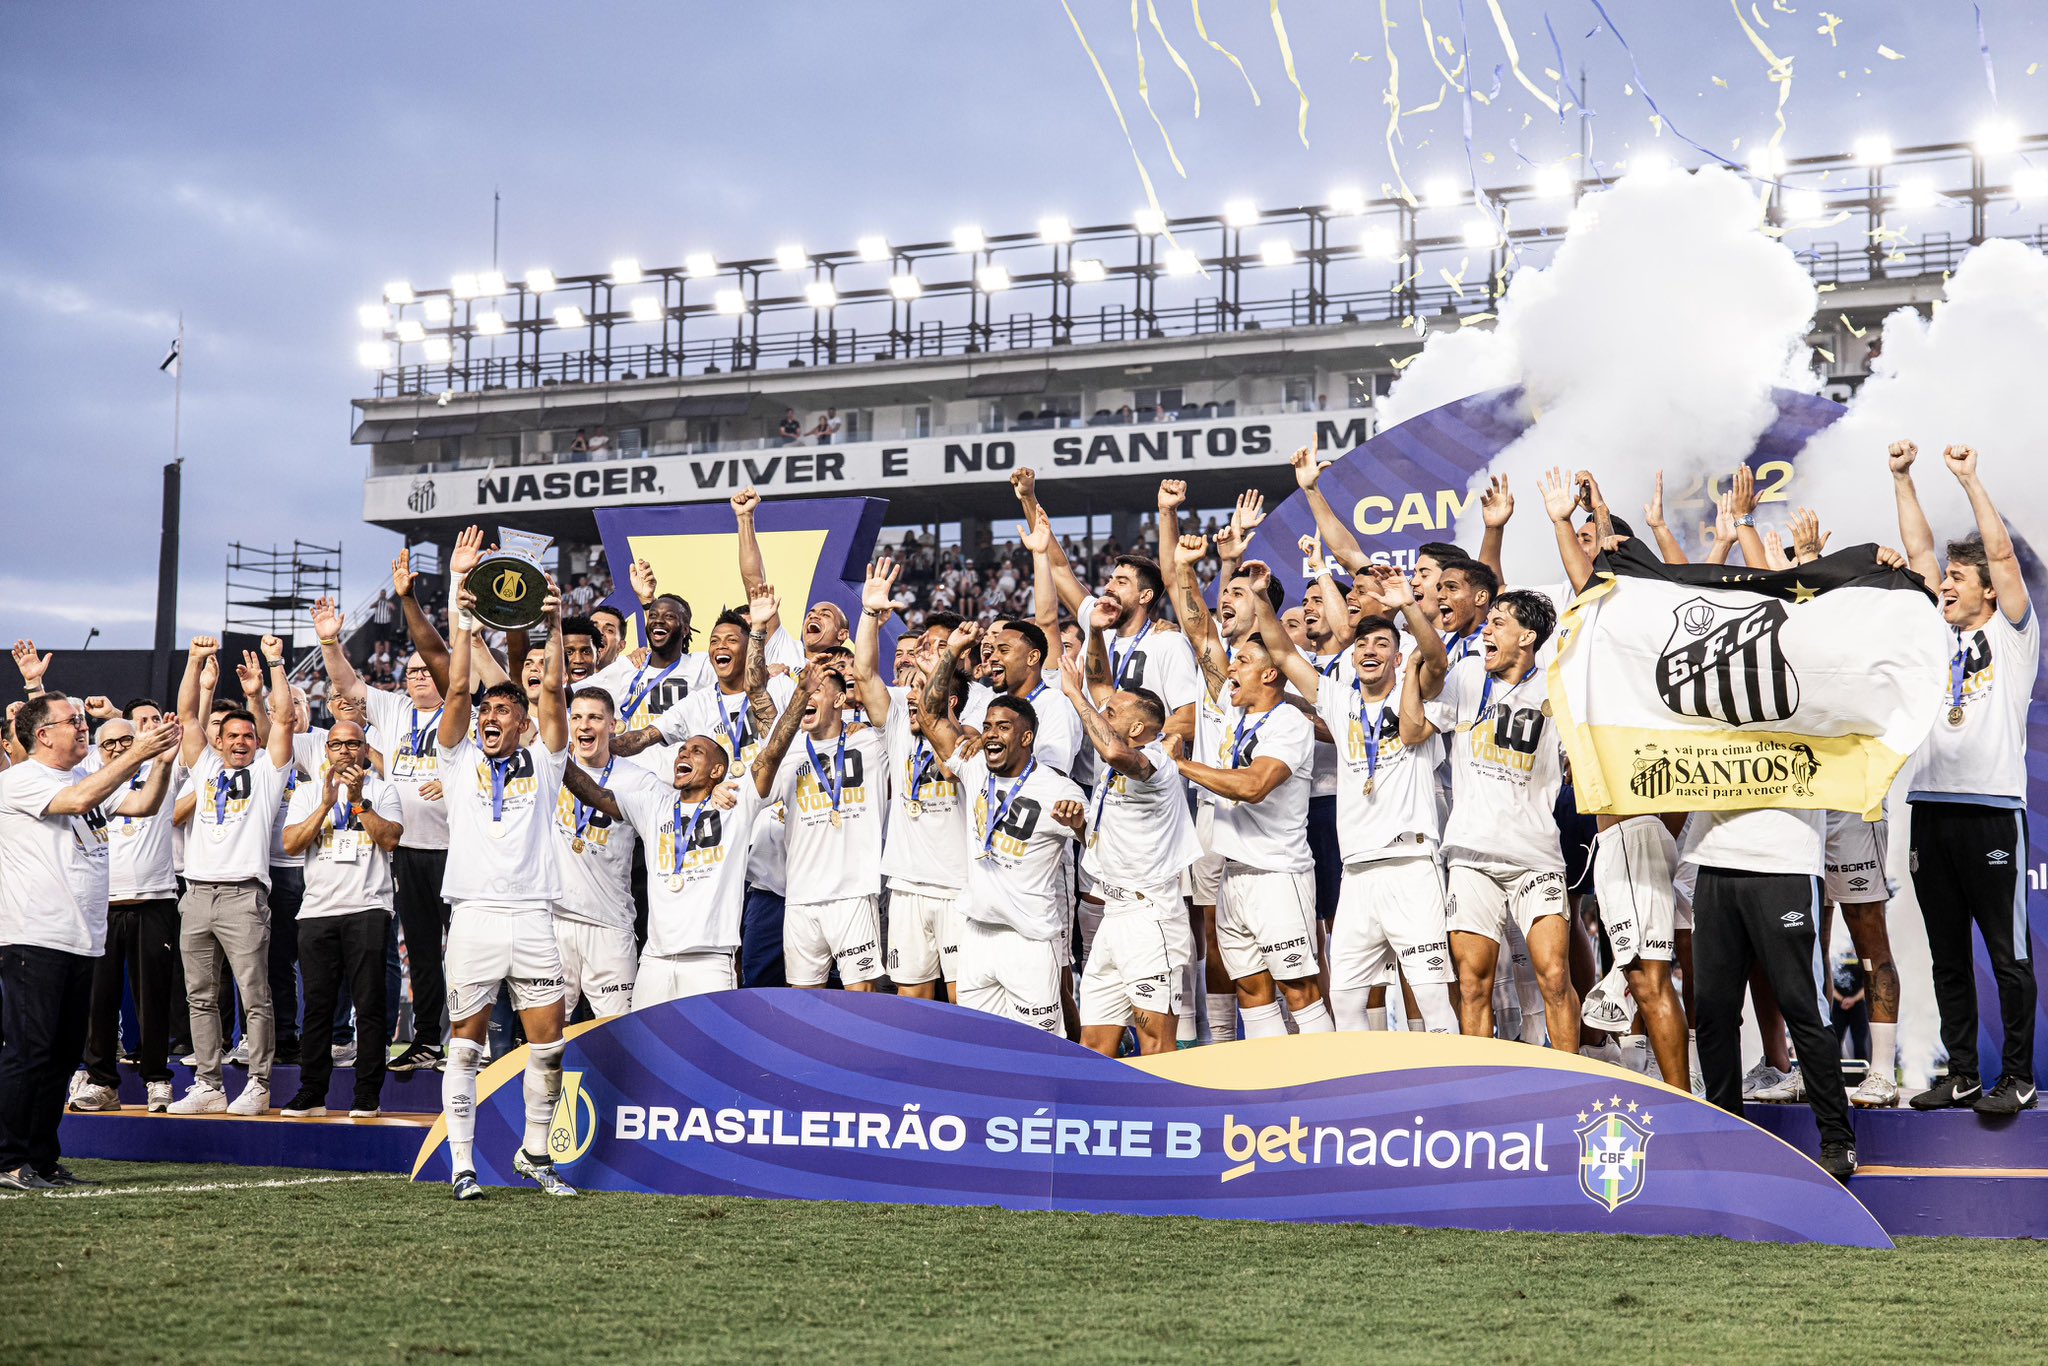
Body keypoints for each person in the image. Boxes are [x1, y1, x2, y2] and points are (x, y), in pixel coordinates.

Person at [1892, 440, 2038, 1114]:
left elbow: (2002, 554)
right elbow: (1917, 554)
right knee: (1946, 953)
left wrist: (1970, 479)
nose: (1945, 584)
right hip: (1931, 808)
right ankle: (1962, 1073)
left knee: (2007, 955)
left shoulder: (2013, 634)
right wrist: (1904, 479)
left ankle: (2017, 1074)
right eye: (1944, 577)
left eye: (1958, 576)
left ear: (1987, 588)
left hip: (1990, 809)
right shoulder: (1936, 630)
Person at [1262, 571, 1462, 1035]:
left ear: (1397, 656)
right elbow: (1284, 654)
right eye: (1362, 646)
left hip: (1411, 864)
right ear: (1352, 657)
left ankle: (1448, 1097)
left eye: (1381, 646)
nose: (1369, 652)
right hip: (1357, 873)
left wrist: (1408, 605)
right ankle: (1364, 1099)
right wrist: (1260, 599)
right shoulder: (1339, 700)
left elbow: (1435, 658)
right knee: (1346, 1001)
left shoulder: (1422, 702)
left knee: (1432, 995)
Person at [434, 572, 576, 1200]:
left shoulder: (545, 762)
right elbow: (459, 685)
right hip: (474, 917)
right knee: (465, 1047)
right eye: (486, 711)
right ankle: (463, 1165)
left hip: (535, 918)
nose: (490, 716)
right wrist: (464, 623)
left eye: (502, 711)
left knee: (548, 1046)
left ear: (521, 722)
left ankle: (536, 1155)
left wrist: (551, 623)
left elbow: (554, 692)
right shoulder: (458, 758)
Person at [0, 691, 179, 1189]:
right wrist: (138, 753)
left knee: (60, 1056)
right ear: (42, 735)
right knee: (28, 1051)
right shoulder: (20, 780)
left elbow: (142, 804)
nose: (83, 727)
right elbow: (79, 803)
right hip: (35, 936)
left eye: (82, 719)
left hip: (82, 939)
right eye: (72, 721)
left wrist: (161, 762)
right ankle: (7, 1159)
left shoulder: (82, 775)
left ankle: (41, 1157)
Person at [568, 619, 798, 1006]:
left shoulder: (734, 805)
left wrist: (801, 693)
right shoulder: (653, 802)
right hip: (655, 960)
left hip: (708, 962)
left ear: (717, 771)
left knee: (710, 1057)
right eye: (681, 750)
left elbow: (772, 750)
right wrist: (558, 753)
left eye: (695, 751)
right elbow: (592, 792)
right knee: (646, 1053)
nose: (682, 754)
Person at [1166, 535, 1333, 1038]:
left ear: (1271, 674)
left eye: (1241, 664)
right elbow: (1199, 632)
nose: (1227, 669)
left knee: (1299, 988)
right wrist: (1186, 569)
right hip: (1232, 865)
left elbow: (1255, 785)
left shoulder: (1288, 721)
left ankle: (1327, 1090)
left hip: (1278, 871)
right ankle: (1269, 1093)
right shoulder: (1228, 699)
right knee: (1250, 990)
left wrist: (1183, 766)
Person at [1415, 587, 1578, 1053]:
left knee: (1554, 975)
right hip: (1471, 853)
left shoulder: (1557, 685)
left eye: (1499, 623)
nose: (1486, 629)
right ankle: (1478, 1084)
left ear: (1527, 637)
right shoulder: (1466, 674)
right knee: (1472, 983)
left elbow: (1579, 759)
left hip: (1536, 853)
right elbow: (1422, 712)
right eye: (1487, 622)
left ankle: (1570, 1081)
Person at [917, 629, 1088, 1032]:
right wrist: (953, 653)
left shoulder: (1058, 787)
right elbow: (929, 716)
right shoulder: (974, 766)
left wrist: (1077, 823)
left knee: (1042, 1049)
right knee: (980, 1042)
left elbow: (1095, 839)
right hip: (976, 932)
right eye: (988, 725)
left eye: (1003, 727)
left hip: (1028, 939)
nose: (990, 733)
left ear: (1027, 738)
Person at [314, 584, 453, 1074]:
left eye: (425, 669)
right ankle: (429, 1042)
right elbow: (349, 687)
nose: (417, 676)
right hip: (407, 849)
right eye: (411, 670)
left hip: (458, 849)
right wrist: (331, 643)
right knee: (420, 952)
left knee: (463, 953)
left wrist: (452, 780)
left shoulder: (467, 713)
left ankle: (471, 1044)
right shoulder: (393, 709)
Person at [169, 636, 296, 1116]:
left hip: (244, 894)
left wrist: (274, 669)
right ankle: (208, 1084)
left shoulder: (268, 773)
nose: (241, 743)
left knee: (254, 996)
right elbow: (186, 716)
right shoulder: (203, 766)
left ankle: (259, 1084)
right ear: (218, 740)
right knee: (200, 996)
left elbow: (283, 718)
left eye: (248, 737)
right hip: (197, 892)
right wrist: (195, 661)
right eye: (233, 737)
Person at [1062, 633, 1202, 1056]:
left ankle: (1170, 1122)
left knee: (1156, 1043)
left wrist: (1074, 694)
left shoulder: (1157, 761)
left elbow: (1116, 753)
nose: (1102, 714)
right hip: (1113, 915)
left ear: (1137, 729)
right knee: (1093, 1044)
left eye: (1112, 712)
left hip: (1151, 919)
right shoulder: (1115, 763)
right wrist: (1080, 829)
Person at [645, 605, 797, 988]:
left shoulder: (776, 685)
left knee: (759, 976)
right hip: (714, 852)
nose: (721, 647)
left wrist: (761, 629)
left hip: (769, 856)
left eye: (732, 639)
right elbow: (644, 737)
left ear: (750, 648)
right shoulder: (695, 702)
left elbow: (775, 740)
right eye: (714, 641)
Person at [851, 560, 971, 1002]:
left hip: (960, 884)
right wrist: (868, 614)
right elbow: (864, 674)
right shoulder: (900, 710)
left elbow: (949, 752)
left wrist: (942, 670)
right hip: (905, 882)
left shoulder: (976, 721)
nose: (915, 692)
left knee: (964, 1000)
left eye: (945, 647)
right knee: (911, 1001)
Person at [277, 721, 402, 1118]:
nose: (345, 751)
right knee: (317, 1008)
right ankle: (312, 1092)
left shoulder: (383, 789)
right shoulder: (309, 792)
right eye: (337, 744)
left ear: (366, 750)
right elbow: (291, 844)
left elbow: (391, 839)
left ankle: (367, 1094)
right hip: (317, 910)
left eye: (353, 743)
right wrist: (327, 804)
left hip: (368, 907)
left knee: (368, 1005)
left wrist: (360, 801)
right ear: (325, 750)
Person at [69, 709, 185, 1114]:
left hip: (153, 901)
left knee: (152, 997)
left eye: (124, 740)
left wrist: (160, 759)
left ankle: (156, 1078)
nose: (116, 748)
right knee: (98, 1000)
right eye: (108, 744)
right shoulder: (92, 783)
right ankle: (102, 1082)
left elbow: (149, 803)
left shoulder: (157, 769)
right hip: (100, 905)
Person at [766, 614, 888, 991]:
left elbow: (868, 679)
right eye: (804, 690)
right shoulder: (785, 752)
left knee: (863, 997)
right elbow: (759, 785)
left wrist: (868, 617)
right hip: (800, 895)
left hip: (853, 892)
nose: (807, 696)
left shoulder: (872, 742)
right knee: (803, 1001)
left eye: (816, 690)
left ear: (839, 698)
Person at [547, 688, 664, 1019]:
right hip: (554, 920)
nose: (585, 726)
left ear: (613, 725)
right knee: (545, 1036)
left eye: (595, 718)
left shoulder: (641, 781)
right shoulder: (548, 767)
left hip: (610, 925)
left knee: (618, 1034)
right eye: (577, 717)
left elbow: (672, 826)